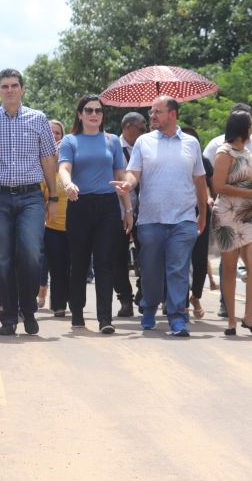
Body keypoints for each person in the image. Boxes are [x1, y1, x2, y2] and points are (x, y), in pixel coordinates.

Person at [0, 68, 58, 336]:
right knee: (2, 258)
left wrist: (53, 196)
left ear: (22, 89)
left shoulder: (38, 118)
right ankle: (9, 316)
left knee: (31, 254)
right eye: (4, 86)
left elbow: (48, 159)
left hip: (31, 196)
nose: (9, 90)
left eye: (14, 85)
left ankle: (28, 310)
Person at [111, 95, 207, 337]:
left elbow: (199, 180)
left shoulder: (191, 144)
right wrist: (127, 185)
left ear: (172, 114)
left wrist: (203, 213)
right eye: (151, 112)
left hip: (183, 219)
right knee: (151, 270)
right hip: (151, 220)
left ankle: (177, 317)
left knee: (178, 269)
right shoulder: (143, 142)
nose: (151, 116)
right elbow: (133, 173)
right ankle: (149, 308)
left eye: (157, 112)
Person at [58, 95, 133, 334]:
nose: (94, 114)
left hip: (108, 206)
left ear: (102, 115)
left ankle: (104, 318)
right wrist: (68, 185)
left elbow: (121, 176)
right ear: (80, 114)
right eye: (88, 110)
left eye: (98, 111)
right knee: (79, 262)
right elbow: (64, 168)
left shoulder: (111, 141)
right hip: (79, 204)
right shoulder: (70, 141)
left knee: (105, 262)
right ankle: (77, 314)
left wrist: (128, 208)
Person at [203, 103, 252, 319]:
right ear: (243, 128)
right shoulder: (223, 152)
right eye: (250, 125)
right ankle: (231, 318)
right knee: (230, 266)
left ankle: (249, 315)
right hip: (227, 213)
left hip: (249, 212)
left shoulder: (248, 151)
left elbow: (244, 181)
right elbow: (219, 186)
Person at [115, 112, 146, 317]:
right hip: (118, 211)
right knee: (117, 257)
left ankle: (144, 294)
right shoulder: (111, 147)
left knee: (148, 254)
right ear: (128, 127)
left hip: (145, 211)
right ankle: (125, 299)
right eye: (142, 129)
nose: (146, 132)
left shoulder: (148, 147)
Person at [180, 126, 212, 319]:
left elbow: (210, 186)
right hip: (180, 211)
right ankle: (182, 302)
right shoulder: (175, 161)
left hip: (201, 211)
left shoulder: (205, 162)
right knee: (181, 258)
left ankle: (196, 296)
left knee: (200, 259)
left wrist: (209, 199)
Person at [43, 119, 70, 318]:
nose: (54, 137)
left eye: (58, 133)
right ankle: (58, 304)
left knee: (73, 268)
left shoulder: (73, 166)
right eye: (50, 133)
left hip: (77, 226)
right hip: (50, 226)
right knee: (57, 267)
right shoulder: (43, 166)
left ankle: (73, 302)